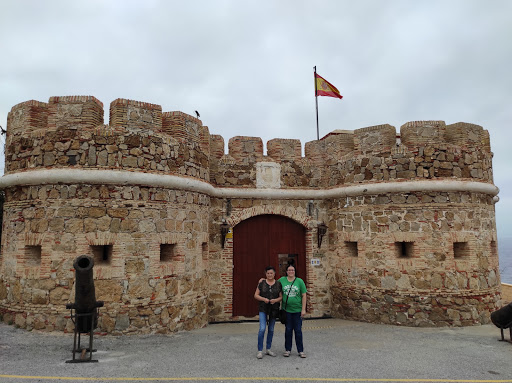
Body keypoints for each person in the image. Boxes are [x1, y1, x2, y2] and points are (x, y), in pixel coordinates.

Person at [279, 264, 307, 358]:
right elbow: (273, 284)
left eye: (293, 270)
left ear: (295, 271)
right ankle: (288, 350)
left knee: (298, 330)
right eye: (289, 270)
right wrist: (262, 280)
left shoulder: (300, 281)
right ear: (286, 271)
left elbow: (304, 295)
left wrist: (303, 309)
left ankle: (300, 350)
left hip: (297, 310)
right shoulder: (282, 280)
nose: (291, 272)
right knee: (288, 330)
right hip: (286, 310)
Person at [254, 266, 282, 359]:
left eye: (271, 273)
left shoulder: (278, 284)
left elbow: (281, 297)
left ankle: (268, 349)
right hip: (263, 308)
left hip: (274, 309)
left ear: (274, 274)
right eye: (268, 273)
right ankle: (260, 350)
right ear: (266, 274)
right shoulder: (262, 283)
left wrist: (276, 300)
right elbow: (256, 295)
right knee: (262, 329)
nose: (270, 275)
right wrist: (263, 299)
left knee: (271, 329)